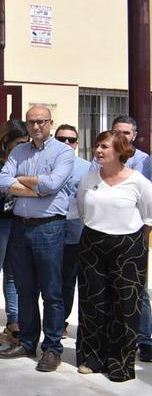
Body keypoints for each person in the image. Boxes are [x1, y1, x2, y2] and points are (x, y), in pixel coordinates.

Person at [0, 105, 73, 373]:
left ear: (51, 123)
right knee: (25, 290)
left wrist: (22, 180)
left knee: (52, 292)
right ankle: (27, 342)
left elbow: (53, 185)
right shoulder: (18, 151)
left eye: (41, 122)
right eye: (31, 123)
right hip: (20, 226)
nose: (36, 127)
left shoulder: (63, 151)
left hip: (49, 228)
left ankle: (52, 348)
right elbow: (3, 182)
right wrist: (34, 188)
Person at [76, 130, 152, 381]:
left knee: (126, 305)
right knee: (93, 302)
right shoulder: (89, 178)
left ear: (120, 151)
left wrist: (135, 241)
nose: (98, 150)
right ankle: (91, 358)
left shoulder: (138, 181)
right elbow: (82, 210)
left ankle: (120, 363)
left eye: (105, 147)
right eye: (97, 145)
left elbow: (148, 217)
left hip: (129, 246)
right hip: (93, 242)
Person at [109, 116, 152, 363]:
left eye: (126, 132)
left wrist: (143, 234)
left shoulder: (145, 162)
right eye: (117, 131)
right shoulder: (100, 156)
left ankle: (144, 339)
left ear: (134, 135)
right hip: (106, 233)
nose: (121, 136)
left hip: (134, 233)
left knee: (138, 290)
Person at [0, 120, 27, 345]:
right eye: (19, 142)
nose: (23, 146)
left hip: (18, 220)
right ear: (7, 141)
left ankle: (14, 320)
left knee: (13, 273)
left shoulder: (24, 157)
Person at [53, 124, 92, 339]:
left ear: (77, 143)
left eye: (71, 140)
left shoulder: (86, 168)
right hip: (47, 228)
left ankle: (61, 322)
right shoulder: (46, 163)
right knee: (45, 279)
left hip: (75, 230)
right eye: (61, 139)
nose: (67, 143)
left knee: (67, 279)